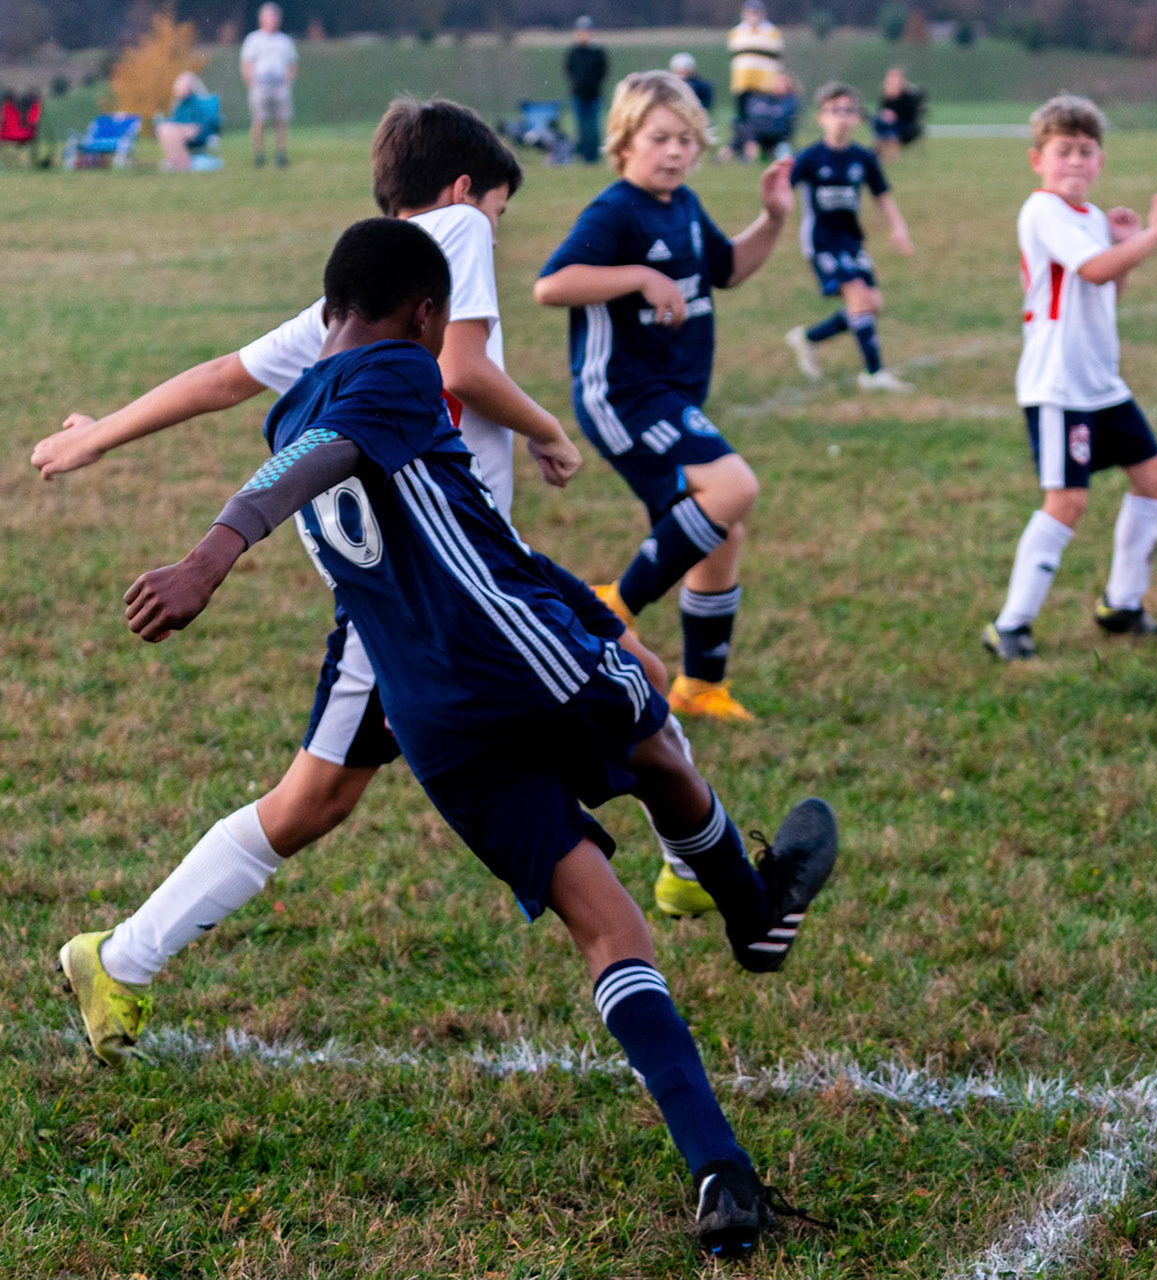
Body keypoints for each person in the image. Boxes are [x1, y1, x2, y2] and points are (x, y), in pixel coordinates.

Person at [111, 216, 837, 1257]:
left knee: (604, 919)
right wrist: (210, 556)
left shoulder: (288, 408)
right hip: (516, 660)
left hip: (434, 723)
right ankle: (753, 912)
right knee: (658, 744)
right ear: (422, 313)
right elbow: (332, 451)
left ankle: (720, 1167)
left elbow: (341, 464)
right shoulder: (402, 373)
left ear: (327, 309)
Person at [35, 100, 695, 1061]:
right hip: (425, 600)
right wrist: (549, 430)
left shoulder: (351, 309)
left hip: (469, 584)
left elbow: (226, 375)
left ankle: (692, 864)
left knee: (616, 679)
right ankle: (121, 958)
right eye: (501, 214)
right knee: (317, 800)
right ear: (466, 193)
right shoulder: (455, 230)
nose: (492, 238)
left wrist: (94, 435)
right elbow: (463, 370)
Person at [536, 72, 791, 739]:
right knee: (734, 487)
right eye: (659, 138)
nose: (674, 151)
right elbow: (553, 284)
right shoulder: (616, 211)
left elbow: (729, 269)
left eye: (685, 139)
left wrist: (773, 219)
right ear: (623, 142)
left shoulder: (682, 204)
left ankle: (702, 685)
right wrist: (640, 276)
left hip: (671, 394)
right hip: (621, 394)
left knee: (721, 528)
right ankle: (612, 603)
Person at [981, 96, 1157, 662]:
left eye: (1086, 151)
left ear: (1100, 160)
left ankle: (1122, 603)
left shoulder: (1090, 217)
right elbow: (1092, 269)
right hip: (1057, 384)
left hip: (1101, 381)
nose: (1075, 161)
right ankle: (1010, 625)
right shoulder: (1042, 210)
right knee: (1067, 500)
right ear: (1036, 160)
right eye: (1062, 150)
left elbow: (1104, 284)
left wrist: (1120, 242)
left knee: (1154, 478)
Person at [784, 82, 916, 392]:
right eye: (834, 111)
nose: (841, 117)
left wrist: (899, 228)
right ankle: (874, 374)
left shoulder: (862, 158)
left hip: (850, 239)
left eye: (848, 111)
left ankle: (808, 338)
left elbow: (882, 195)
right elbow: (782, 192)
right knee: (858, 297)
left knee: (873, 304)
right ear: (821, 118)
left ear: (857, 118)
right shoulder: (810, 157)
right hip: (821, 241)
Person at [241, 1, 297, 168]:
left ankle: (280, 154)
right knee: (259, 120)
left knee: (281, 120)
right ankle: (259, 154)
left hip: (280, 85)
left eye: (274, 16)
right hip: (260, 85)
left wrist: (288, 80)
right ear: (261, 19)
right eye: (268, 16)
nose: (272, 20)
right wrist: (251, 82)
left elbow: (292, 63)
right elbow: (247, 63)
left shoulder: (284, 41)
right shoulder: (254, 39)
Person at [727, 0, 783, 158]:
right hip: (742, 83)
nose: (753, 17)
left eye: (756, 13)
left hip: (764, 84)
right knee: (742, 119)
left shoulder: (772, 32)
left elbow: (775, 59)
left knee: (760, 119)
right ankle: (744, 148)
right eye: (750, 13)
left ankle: (762, 149)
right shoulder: (737, 32)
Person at [564, 16, 610, 165]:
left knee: (594, 127)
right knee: (581, 127)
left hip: (594, 94)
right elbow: (569, 70)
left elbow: (603, 70)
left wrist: (594, 83)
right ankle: (584, 156)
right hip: (578, 94)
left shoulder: (597, 51)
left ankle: (594, 156)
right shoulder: (574, 51)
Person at [155, 71, 221, 172]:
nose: (178, 90)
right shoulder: (180, 104)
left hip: (199, 131)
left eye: (181, 87)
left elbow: (207, 120)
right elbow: (175, 120)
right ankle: (175, 161)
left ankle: (183, 164)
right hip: (181, 129)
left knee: (168, 130)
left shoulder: (200, 102)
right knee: (164, 129)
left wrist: (192, 128)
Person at [740, 70, 800, 161]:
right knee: (745, 130)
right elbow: (753, 118)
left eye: (783, 82)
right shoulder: (761, 97)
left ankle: (770, 153)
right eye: (778, 81)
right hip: (759, 135)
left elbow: (783, 121)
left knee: (785, 158)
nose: (780, 85)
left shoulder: (791, 100)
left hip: (780, 137)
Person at [871, 67, 925, 162]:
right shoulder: (886, 96)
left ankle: (891, 155)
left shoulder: (908, 96)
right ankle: (879, 151)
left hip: (905, 125)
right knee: (876, 120)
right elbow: (882, 110)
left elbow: (912, 116)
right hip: (889, 124)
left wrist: (895, 116)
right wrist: (885, 115)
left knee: (890, 127)